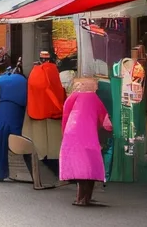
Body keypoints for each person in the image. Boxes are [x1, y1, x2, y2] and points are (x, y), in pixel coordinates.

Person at [59, 75, 112, 207]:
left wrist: (64, 132)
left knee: (79, 166)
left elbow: (65, 114)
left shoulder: (73, 97)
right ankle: (86, 198)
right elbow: (105, 121)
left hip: (72, 134)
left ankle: (80, 198)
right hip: (90, 136)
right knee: (91, 165)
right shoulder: (95, 99)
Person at [0, 61, 40, 185]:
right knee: (23, 143)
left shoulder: (1, 79)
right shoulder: (24, 81)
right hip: (17, 111)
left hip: (2, 110)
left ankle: (2, 174)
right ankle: (34, 175)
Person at [26, 50, 66, 183]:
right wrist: (60, 106)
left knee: (41, 143)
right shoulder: (52, 70)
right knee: (55, 143)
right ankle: (58, 171)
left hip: (36, 112)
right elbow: (54, 90)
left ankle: (43, 165)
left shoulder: (34, 72)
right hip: (53, 112)